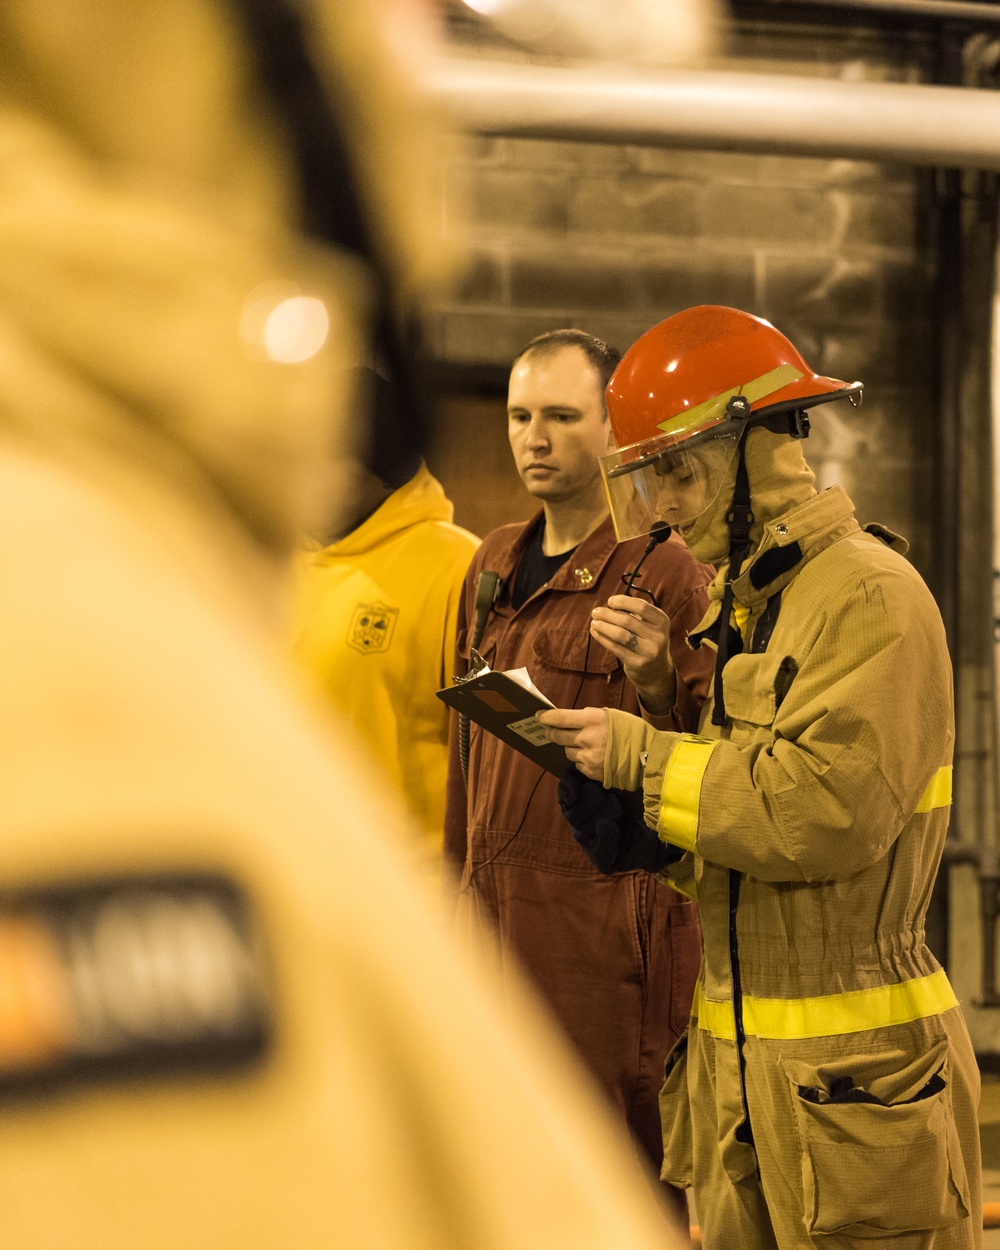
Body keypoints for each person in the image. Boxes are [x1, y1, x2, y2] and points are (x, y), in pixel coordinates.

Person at [0, 3, 695, 1246]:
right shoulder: (74, 664)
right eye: (407, 14)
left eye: (562, 419)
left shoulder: (151, 562)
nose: (420, 73)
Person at [540, 305, 983, 1248]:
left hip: (857, 1090)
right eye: (651, 472)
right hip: (748, 1086)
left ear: (754, 448)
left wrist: (643, 755)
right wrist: (648, 823)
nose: (660, 501)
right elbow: (744, 840)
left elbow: (824, 814)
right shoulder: (752, 608)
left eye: (678, 469)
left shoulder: (868, 597)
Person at [443, 328, 715, 1205]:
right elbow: (467, 759)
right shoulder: (489, 566)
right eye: (522, 415)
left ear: (612, 426)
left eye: (562, 415)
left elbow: (710, 758)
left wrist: (659, 679)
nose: (535, 436)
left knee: (616, 1182)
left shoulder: (665, 573)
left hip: (605, 937)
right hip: (492, 918)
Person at [293, 367, 478, 879]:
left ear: (377, 460)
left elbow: (495, 766)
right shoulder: (271, 562)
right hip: (288, 883)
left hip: (404, 894)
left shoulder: (459, 567)